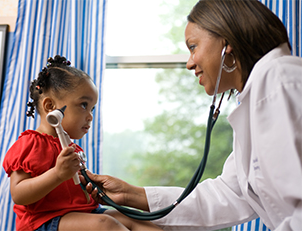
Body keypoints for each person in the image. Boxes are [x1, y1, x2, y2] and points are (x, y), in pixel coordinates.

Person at [81, 0, 302, 230]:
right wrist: (131, 195)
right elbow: (228, 195)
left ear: (226, 41)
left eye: (193, 46)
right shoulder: (257, 95)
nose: (189, 63)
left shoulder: (280, 80)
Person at [2, 55, 163, 231]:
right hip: (44, 221)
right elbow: (18, 195)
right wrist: (57, 174)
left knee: (130, 217)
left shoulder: (69, 147)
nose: (90, 116)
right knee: (106, 224)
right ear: (50, 107)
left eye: (92, 108)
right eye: (84, 105)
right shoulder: (30, 144)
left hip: (81, 213)